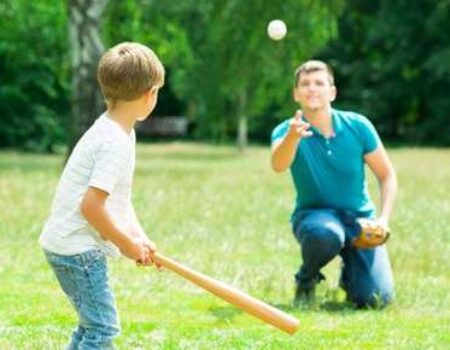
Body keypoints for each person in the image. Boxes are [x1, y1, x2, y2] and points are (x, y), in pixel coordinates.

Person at [39, 42, 165, 348]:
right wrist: (126, 245)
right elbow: (92, 208)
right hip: (77, 250)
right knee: (103, 329)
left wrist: (139, 238)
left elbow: (119, 200)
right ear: (149, 95)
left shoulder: (120, 131)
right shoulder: (113, 142)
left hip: (67, 245)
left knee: (91, 327)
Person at [270, 60, 397, 308]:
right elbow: (278, 164)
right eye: (305, 84)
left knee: (376, 300)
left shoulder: (358, 126)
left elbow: (387, 175)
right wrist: (292, 139)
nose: (312, 88)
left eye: (319, 83)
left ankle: (351, 278)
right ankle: (306, 279)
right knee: (326, 234)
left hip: (360, 221)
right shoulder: (287, 130)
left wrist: (383, 219)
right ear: (296, 94)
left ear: (332, 92)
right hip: (315, 217)